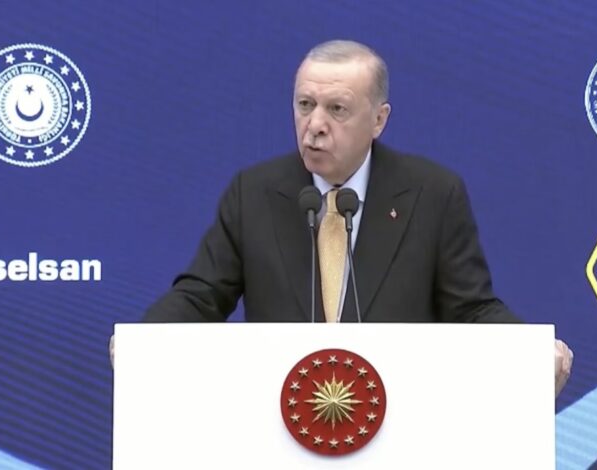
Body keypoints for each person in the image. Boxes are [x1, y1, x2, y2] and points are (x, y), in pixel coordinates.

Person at [124, 40, 572, 395]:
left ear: (379, 120)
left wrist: (528, 350)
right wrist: (141, 341)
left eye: (337, 109)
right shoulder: (255, 192)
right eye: (305, 105)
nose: (315, 124)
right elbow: (201, 295)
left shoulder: (432, 193)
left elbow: (470, 309)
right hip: (279, 420)